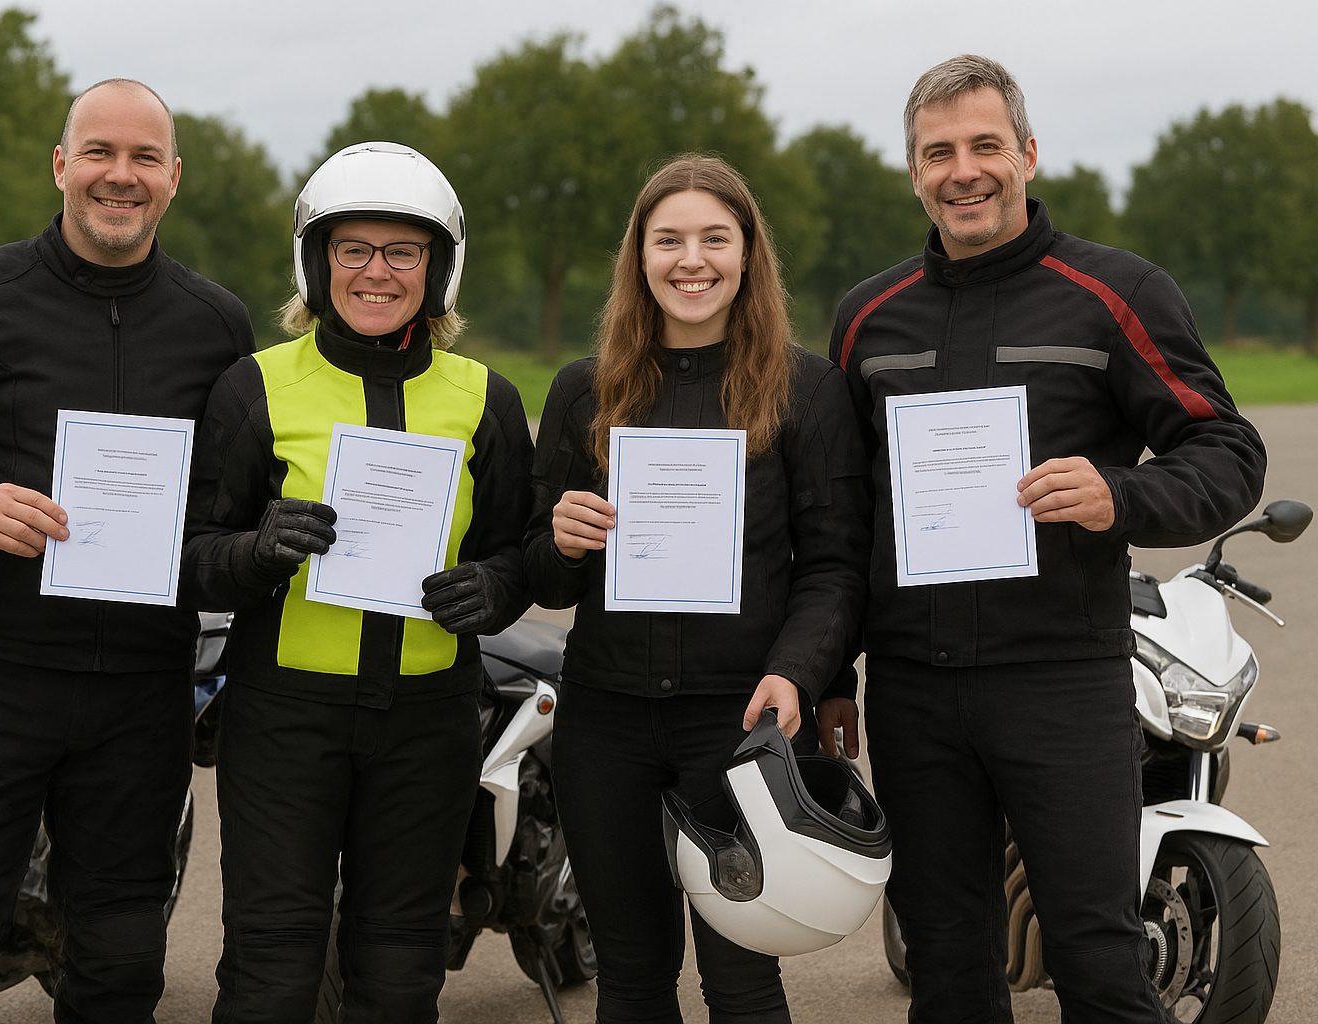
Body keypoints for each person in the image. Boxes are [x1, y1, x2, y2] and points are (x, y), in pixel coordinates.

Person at [824, 54, 1267, 1023]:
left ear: (1027, 153)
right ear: (914, 172)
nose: (963, 170)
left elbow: (1229, 451)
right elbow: (843, 520)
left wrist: (1121, 494)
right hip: (915, 694)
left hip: (1063, 682)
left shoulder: (1118, 294)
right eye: (938, 152)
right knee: (945, 969)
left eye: (986, 145)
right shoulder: (867, 319)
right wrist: (829, 676)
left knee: (1100, 964)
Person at [0, 79, 255, 1022]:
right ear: (60, 166)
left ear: (174, 178)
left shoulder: (216, 325)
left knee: (117, 962)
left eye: (144, 157)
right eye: (99, 153)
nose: (121, 175)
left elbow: (225, 501)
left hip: (142, 693)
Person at [178, 141, 533, 1024]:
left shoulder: (486, 398)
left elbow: (517, 553)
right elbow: (188, 553)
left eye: (402, 252)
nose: (377, 272)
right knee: (270, 969)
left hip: (428, 725)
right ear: (316, 261)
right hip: (283, 721)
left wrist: (492, 588)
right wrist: (254, 552)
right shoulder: (253, 388)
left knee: (402, 970)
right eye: (353, 250)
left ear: (438, 267)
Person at [524, 153, 871, 1023]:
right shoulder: (583, 392)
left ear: (748, 254)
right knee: (632, 980)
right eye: (668, 239)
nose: (692, 260)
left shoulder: (805, 389)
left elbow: (833, 566)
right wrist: (561, 542)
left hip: (742, 723)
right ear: (638, 257)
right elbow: (544, 570)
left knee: (743, 983)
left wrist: (798, 672)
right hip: (605, 725)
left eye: (715, 238)